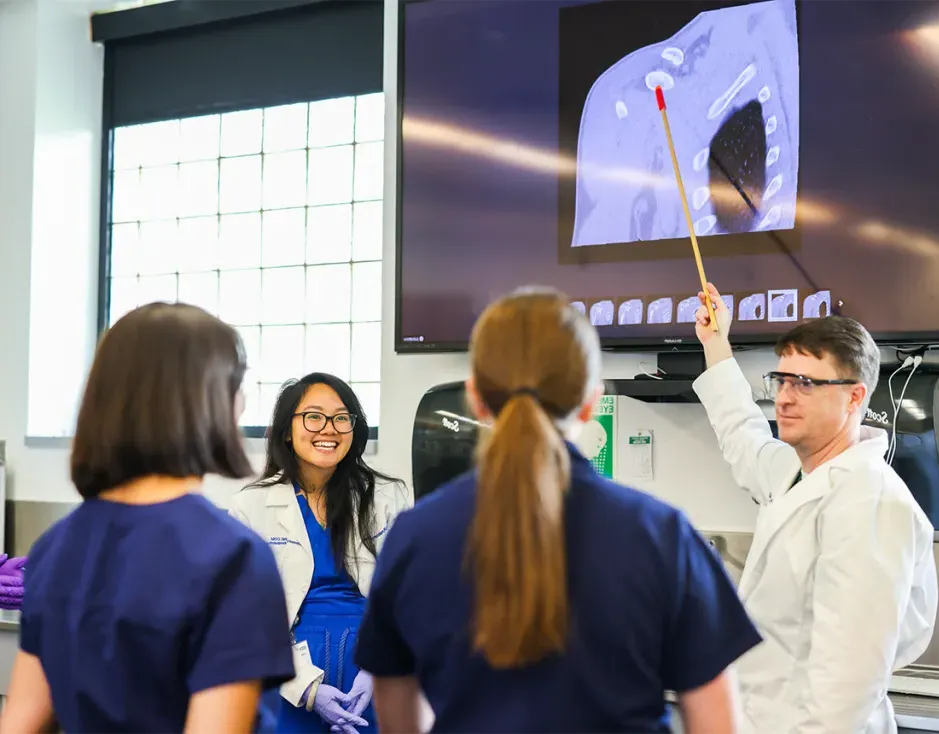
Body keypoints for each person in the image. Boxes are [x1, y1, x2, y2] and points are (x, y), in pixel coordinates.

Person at [354, 287, 762, 734]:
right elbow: (716, 723)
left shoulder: (414, 537)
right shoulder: (661, 535)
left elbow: (398, 714)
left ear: (475, 397)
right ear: (591, 400)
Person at [0, 303, 295, 734]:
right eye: (236, 386)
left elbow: (19, 724)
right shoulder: (234, 559)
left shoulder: (56, 547)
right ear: (206, 401)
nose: (243, 402)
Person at [690, 283, 938, 733]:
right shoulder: (794, 469)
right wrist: (716, 343)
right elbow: (743, 436)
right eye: (781, 380)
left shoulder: (871, 503)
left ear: (855, 397)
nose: (784, 397)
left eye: (805, 383)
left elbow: (846, 685)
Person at [229, 373, 410, 734]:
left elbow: (409, 596)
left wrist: (377, 669)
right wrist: (308, 690)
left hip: (374, 675)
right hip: (286, 676)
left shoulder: (388, 497)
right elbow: (243, 616)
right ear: (286, 430)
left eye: (341, 418)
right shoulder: (252, 505)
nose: (329, 428)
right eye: (313, 416)